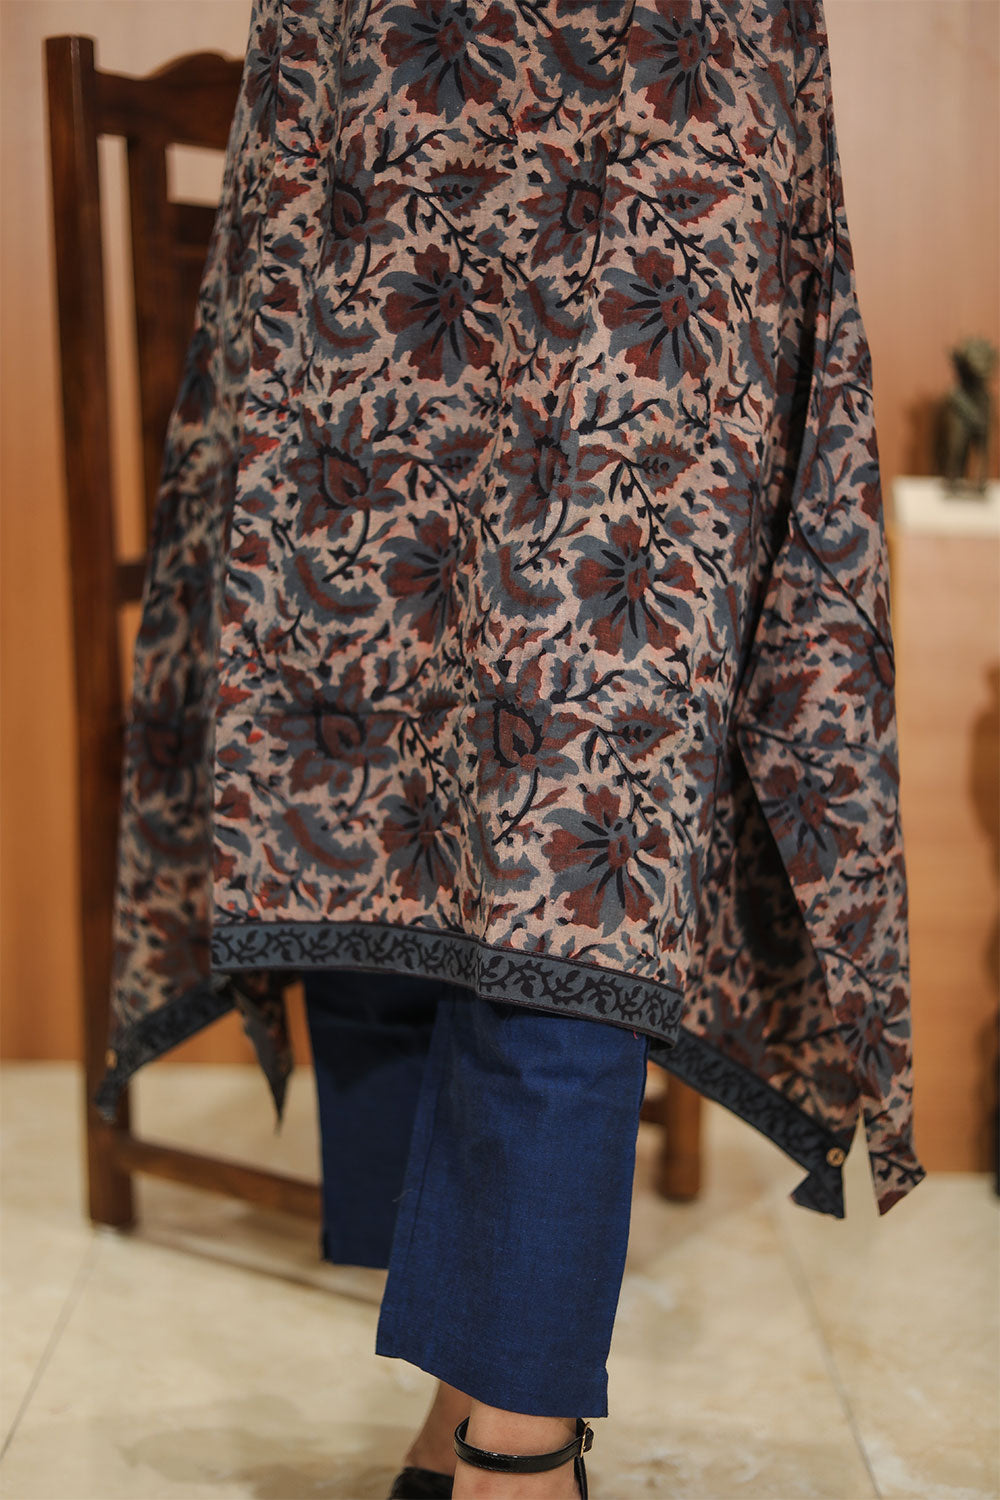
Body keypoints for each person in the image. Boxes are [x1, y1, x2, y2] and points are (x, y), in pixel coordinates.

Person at [92, 1, 927, 1495]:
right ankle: (467, 1402)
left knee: (584, 786)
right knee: (366, 749)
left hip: (665, 106)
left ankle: (519, 1451)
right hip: (388, 101)